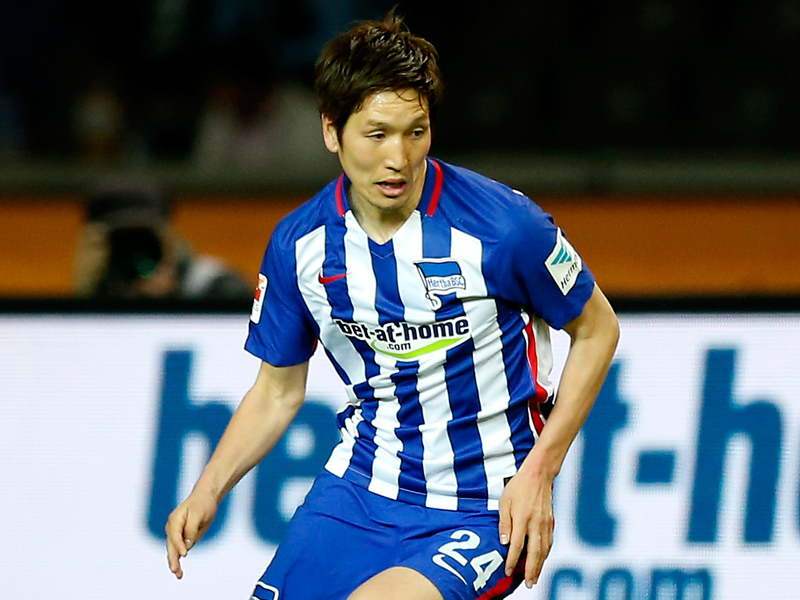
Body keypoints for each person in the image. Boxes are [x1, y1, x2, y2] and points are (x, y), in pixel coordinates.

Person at [165, 13, 620, 600]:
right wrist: (208, 490)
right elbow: (277, 391)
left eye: (415, 132)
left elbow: (597, 330)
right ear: (331, 131)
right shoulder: (300, 245)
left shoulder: (505, 226)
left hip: (485, 504)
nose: (399, 158)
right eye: (377, 134)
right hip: (358, 493)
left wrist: (541, 472)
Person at [74, 180, 253, 300]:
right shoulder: (99, 286)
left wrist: (170, 298)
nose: (134, 251)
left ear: (169, 233)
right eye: (120, 242)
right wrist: (84, 297)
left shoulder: (219, 286)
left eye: (144, 237)